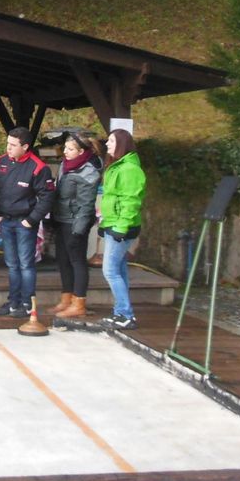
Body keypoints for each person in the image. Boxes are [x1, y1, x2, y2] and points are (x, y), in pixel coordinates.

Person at [0, 127, 54, 317]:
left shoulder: (38, 167)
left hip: (25, 222)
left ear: (25, 146)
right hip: (5, 221)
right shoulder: (1, 162)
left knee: (26, 264)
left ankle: (27, 303)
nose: (8, 148)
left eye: (13, 145)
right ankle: (13, 301)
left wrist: (31, 220)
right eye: (8, 143)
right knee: (12, 264)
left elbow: (47, 197)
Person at [50, 133, 104, 319]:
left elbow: (86, 204)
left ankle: (79, 302)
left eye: (70, 149)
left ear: (81, 152)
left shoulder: (88, 171)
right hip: (61, 219)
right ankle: (66, 298)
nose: (65, 151)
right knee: (62, 260)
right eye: (65, 148)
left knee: (77, 261)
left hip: (75, 222)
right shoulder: (65, 165)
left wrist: (78, 230)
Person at [98, 128, 146, 330]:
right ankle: (121, 313)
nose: (107, 144)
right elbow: (112, 198)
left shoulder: (129, 169)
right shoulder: (117, 166)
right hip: (113, 223)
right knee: (118, 269)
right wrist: (105, 224)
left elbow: (131, 201)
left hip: (122, 226)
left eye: (111, 141)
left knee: (109, 270)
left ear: (122, 144)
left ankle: (125, 313)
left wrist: (121, 227)